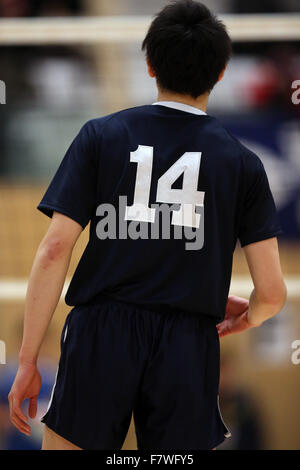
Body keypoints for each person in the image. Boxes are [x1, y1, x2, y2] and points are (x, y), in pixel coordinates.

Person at [8, 0, 286, 450]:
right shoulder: (244, 163)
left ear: (151, 65)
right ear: (220, 73)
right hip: (188, 341)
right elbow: (272, 294)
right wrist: (249, 317)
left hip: (101, 331)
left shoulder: (100, 135)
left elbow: (54, 250)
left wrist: (27, 361)